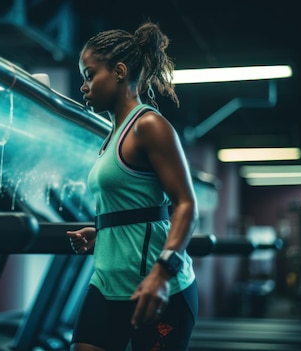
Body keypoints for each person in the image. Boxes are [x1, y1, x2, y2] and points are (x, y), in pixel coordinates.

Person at [67, 21, 200, 351]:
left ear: (119, 72)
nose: (83, 86)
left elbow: (185, 205)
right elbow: (137, 207)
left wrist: (161, 273)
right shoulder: (112, 136)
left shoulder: (149, 126)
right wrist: (102, 233)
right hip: (107, 282)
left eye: (89, 74)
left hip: (155, 287)